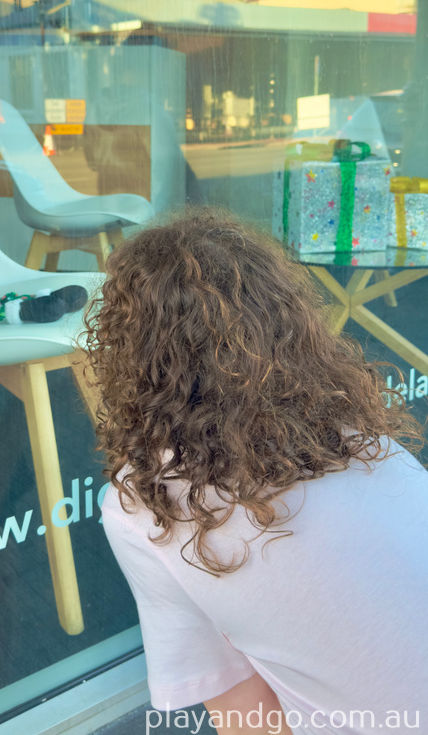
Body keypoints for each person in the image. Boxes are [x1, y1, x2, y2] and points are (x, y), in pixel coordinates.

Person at [83, 209, 428, 735]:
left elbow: (249, 721)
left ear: (130, 353)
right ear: (290, 318)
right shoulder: (365, 441)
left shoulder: (145, 505)